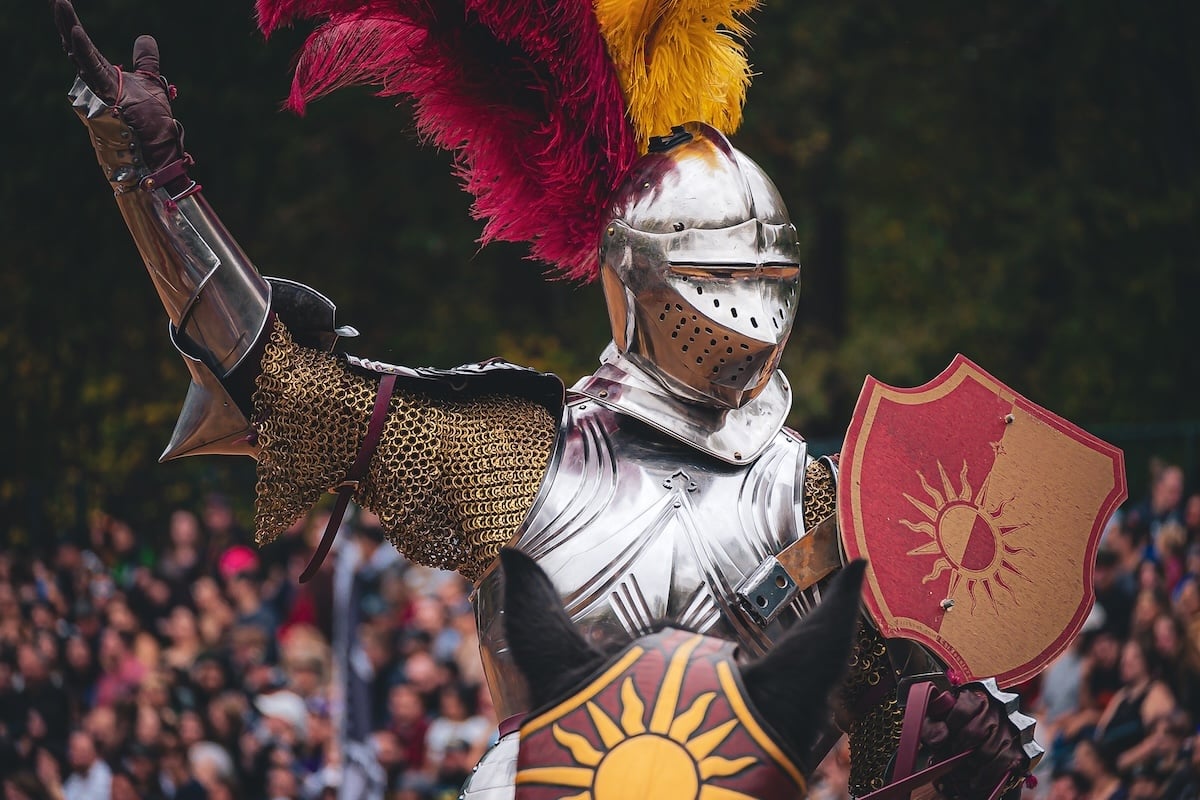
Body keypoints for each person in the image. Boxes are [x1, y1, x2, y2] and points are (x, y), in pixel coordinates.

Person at [49, 1, 1039, 796]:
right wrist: (151, 175)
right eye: (718, 279)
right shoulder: (525, 447)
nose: (744, 311)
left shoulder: (817, 495)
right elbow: (284, 389)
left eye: (761, 280)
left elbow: (903, 743)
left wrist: (973, 730)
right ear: (641, 281)